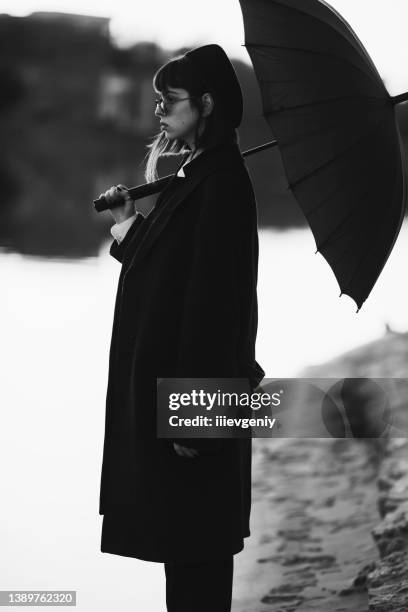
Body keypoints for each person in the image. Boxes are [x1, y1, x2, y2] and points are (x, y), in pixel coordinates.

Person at [97, 44, 265, 612]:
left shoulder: (222, 186)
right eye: (158, 101)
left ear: (208, 102)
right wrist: (128, 229)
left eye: (170, 100)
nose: (159, 111)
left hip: (197, 403)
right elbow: (175, 277)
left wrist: (199, 415)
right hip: (185, 398)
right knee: (185, 546)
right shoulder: (198, 177)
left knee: (198, 555)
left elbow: (217, 306)